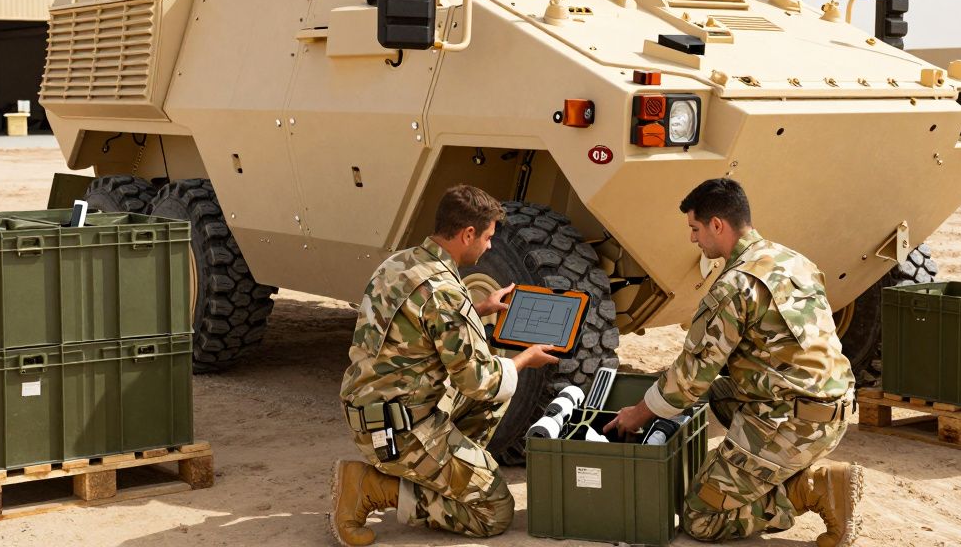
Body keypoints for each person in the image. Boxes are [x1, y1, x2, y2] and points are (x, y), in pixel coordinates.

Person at [606, 178, 862, 547]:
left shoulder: (734, 286)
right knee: (720, 394)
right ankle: (768, 468)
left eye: (695, 229)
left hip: (794, 420)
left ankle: (812, 488)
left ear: (717, 225)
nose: (693, 239)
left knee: (701, 519)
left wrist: (638, 414)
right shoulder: (794, 260)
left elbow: (690, 379)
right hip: (833, 405)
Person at [332, 185, 558, 546]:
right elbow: (479, 381)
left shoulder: (401, 262)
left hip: (375, 409)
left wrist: (477, 311)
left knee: (493, 394)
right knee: (494, 511)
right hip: (397, 430)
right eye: (486, 237)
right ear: (467, 233)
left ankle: (450, 471)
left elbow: (418, 324)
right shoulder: (445, 293)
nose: (488, 247)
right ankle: (375, 488)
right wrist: (526, 359)